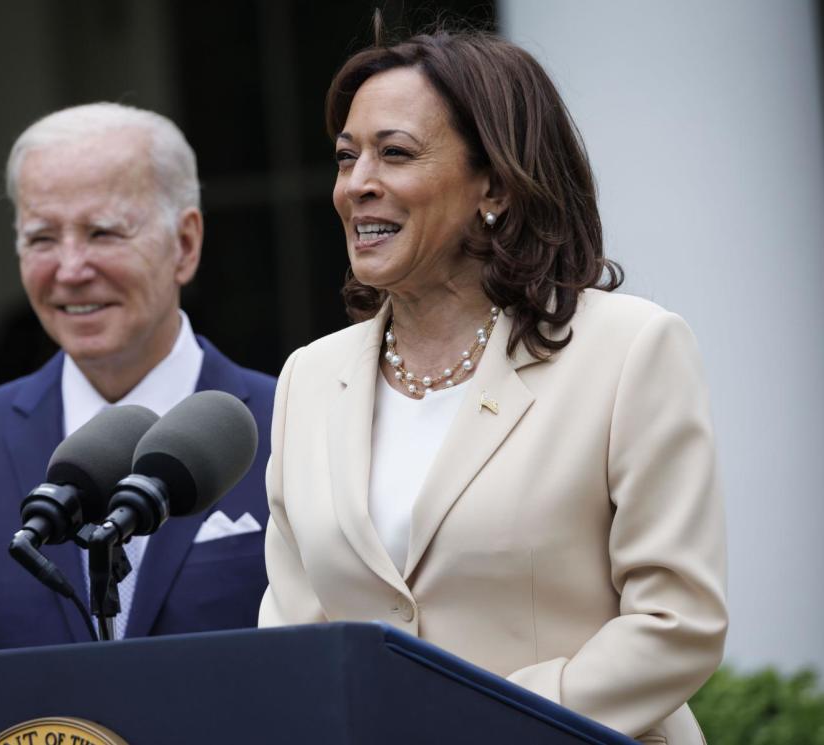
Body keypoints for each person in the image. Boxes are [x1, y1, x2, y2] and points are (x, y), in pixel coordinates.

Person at [257, 28, 727, 744]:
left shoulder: (630, 348)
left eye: (395, 153)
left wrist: (482, 720)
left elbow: (677, 624)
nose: (356, 185)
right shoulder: (309, 378)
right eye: (347, 157)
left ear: (497, 186)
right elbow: (294, 637)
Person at [0, 103, 275, 657]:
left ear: (185, 244)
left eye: (103, 232)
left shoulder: (298, 427)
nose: (70, 269)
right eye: (41, 239)